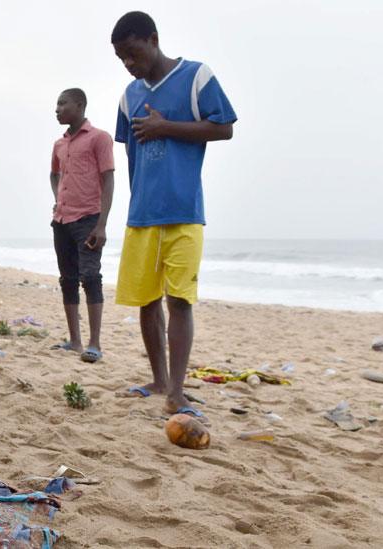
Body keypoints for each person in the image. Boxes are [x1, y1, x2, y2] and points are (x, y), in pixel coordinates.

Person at [110, 11, 236, 418]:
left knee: (179, 299)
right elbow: (131, 155)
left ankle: (177, 392)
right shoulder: (128, 96)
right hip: (143, 213)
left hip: (184, 210)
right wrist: (133, 203)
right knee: (146, 300)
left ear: (153, 39)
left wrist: (167, 127)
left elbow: (224, 128)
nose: (129, 63)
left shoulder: (196, 77)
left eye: (132, 53)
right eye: (121, 58)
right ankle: (158, 379)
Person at [48, 88, 115, 363]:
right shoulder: (59, 144)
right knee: (68, 280)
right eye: (56, 104)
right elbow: (54, 174)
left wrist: (102, 225)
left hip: (88, 218)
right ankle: (74, 341)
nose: (57, 109)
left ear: (79, 105)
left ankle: (94, 343)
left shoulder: (99, 138)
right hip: (62, 220)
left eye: (62, 103)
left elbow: (108, 180)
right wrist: (57, 200)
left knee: (91, 278)